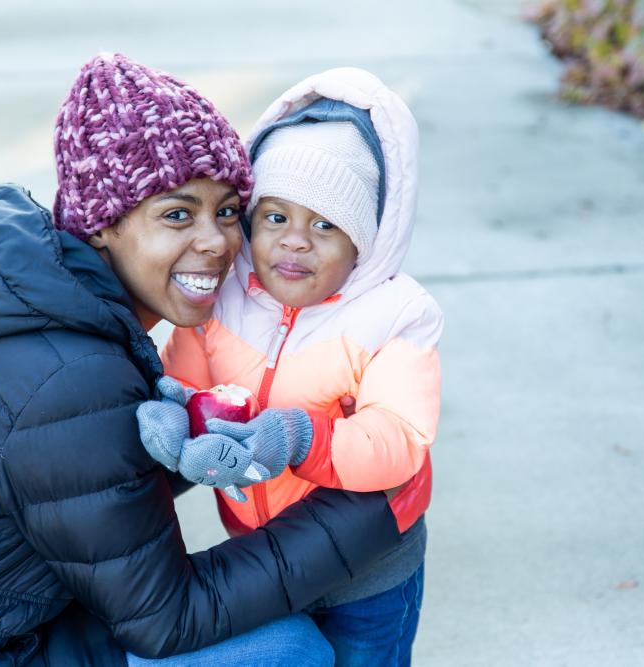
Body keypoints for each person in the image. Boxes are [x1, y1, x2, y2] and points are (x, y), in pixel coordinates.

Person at [0, 54, 404, 666]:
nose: (216, 242)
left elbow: (85, 484)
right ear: (103, 224)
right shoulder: (69, 379)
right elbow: (168, 617)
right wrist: (372, 506)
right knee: (287, 651)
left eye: (229, 211)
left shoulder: (19, 303)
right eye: (177, 214)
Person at [137, 67, 443, 666]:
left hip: (369, 566)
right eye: (276, 217)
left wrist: (298, 436)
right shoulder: (225, 299)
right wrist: (174, 418)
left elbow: (398, 439)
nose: (295, 241)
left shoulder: (394, 317)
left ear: (366, 239)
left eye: (325, 224)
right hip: (268, 555)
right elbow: (188, 378)